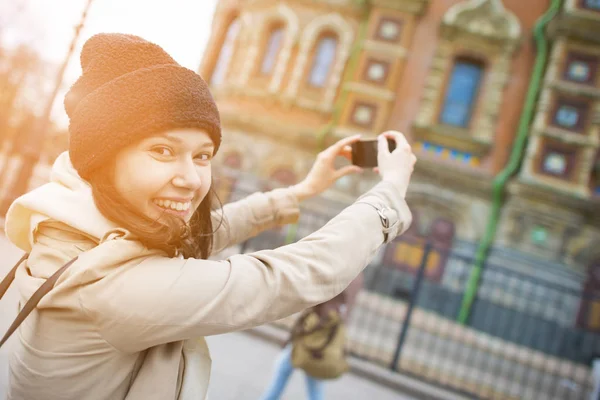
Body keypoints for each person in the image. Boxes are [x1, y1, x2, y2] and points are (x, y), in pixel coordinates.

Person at [2, 33, 415, 400]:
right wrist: (390, 195)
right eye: (162, 150)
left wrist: (301, 191)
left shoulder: (77, 229)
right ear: (104, 160)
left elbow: (201, 237)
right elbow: (290, 277)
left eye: (202, 155)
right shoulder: (111, 288)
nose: (190, 179)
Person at [259, 274, 364, 400]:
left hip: (317, 333)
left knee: (291, 373)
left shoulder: (349, 272)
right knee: (293, 373)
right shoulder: (353, 272)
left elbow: (335, 306)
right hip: (316, 332)